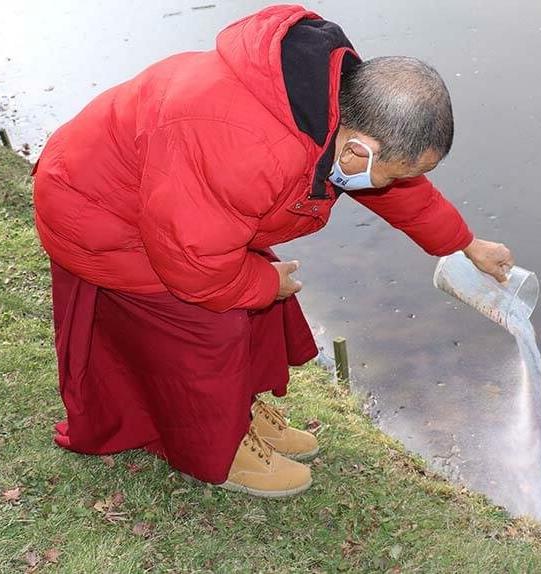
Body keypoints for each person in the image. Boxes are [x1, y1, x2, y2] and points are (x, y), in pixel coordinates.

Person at [32, 4, 514, 499]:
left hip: (166, 206)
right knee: (211, 321)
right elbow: (196, 270)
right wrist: (264, 285)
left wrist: (465, 244)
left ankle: (238, 406)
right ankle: (216, 443)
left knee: (257, 289)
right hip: (93, 212)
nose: (394, 184)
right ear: (358, 153)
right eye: (394, 171)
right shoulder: (248, 149)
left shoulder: (333, 106)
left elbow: (400, 190)